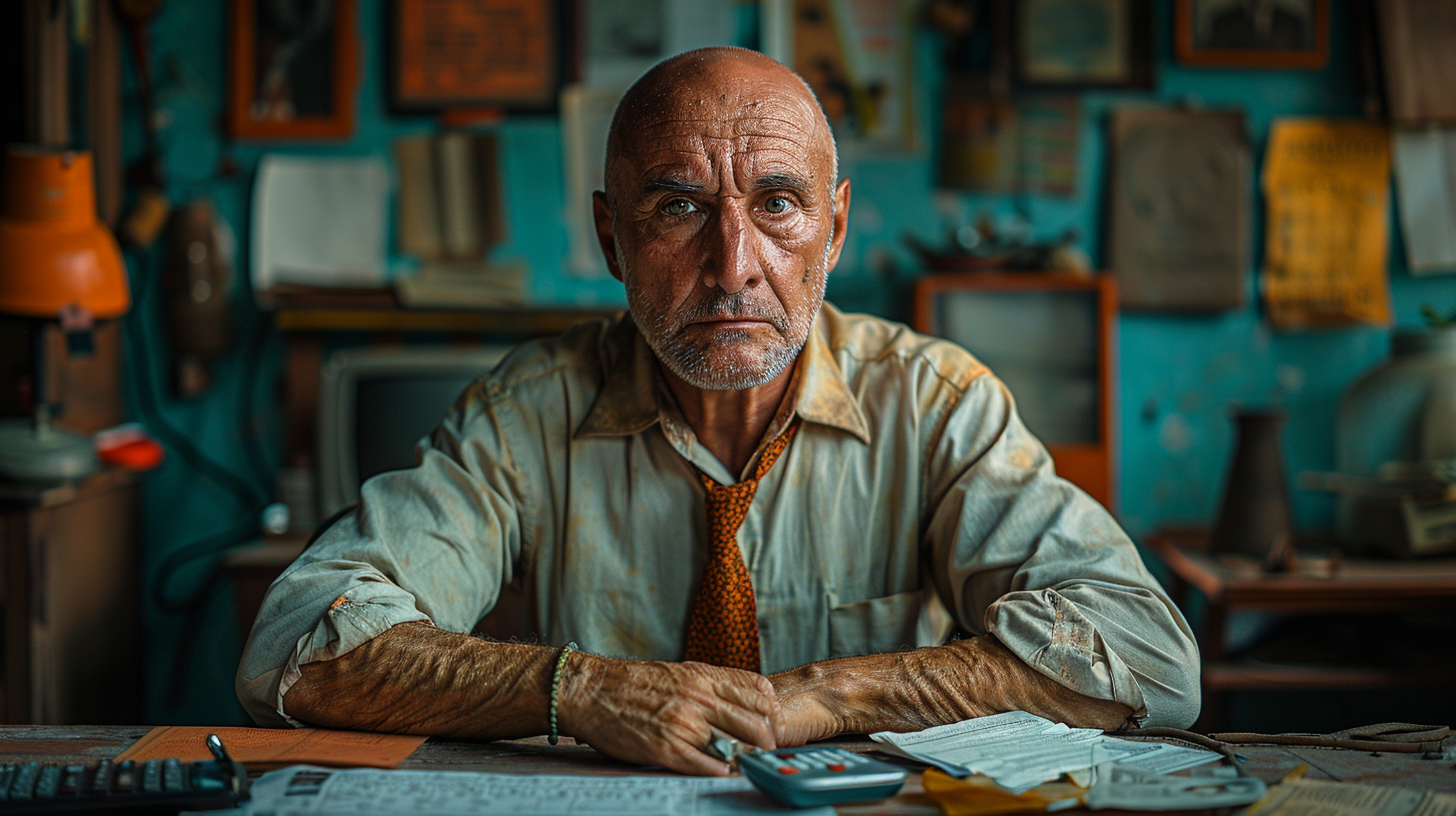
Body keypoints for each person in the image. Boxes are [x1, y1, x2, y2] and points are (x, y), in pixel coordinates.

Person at [237, 46, 1199, 776]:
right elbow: (295, 643)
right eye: (678, 207)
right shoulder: (526, 413)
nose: (734, 264)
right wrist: (586, 690)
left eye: (777, 203)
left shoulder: (935, 404)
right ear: (613, 237)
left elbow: (1151, 656)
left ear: (835, 229)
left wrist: (820, 696)